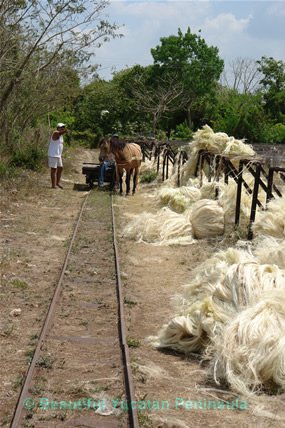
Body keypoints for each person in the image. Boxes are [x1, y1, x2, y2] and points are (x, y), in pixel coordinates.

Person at [48, 123, 66, 189]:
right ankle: (53, 185)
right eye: (61, 127)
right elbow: (59, 134)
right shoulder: (55, 133)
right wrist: (64, 131)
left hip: (58, 155)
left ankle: (57, 183)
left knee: (60, 168)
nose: (62, 128)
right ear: (57, 128)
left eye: (63, 127)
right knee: (54, 169)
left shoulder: (61, 136)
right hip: (53, 154)